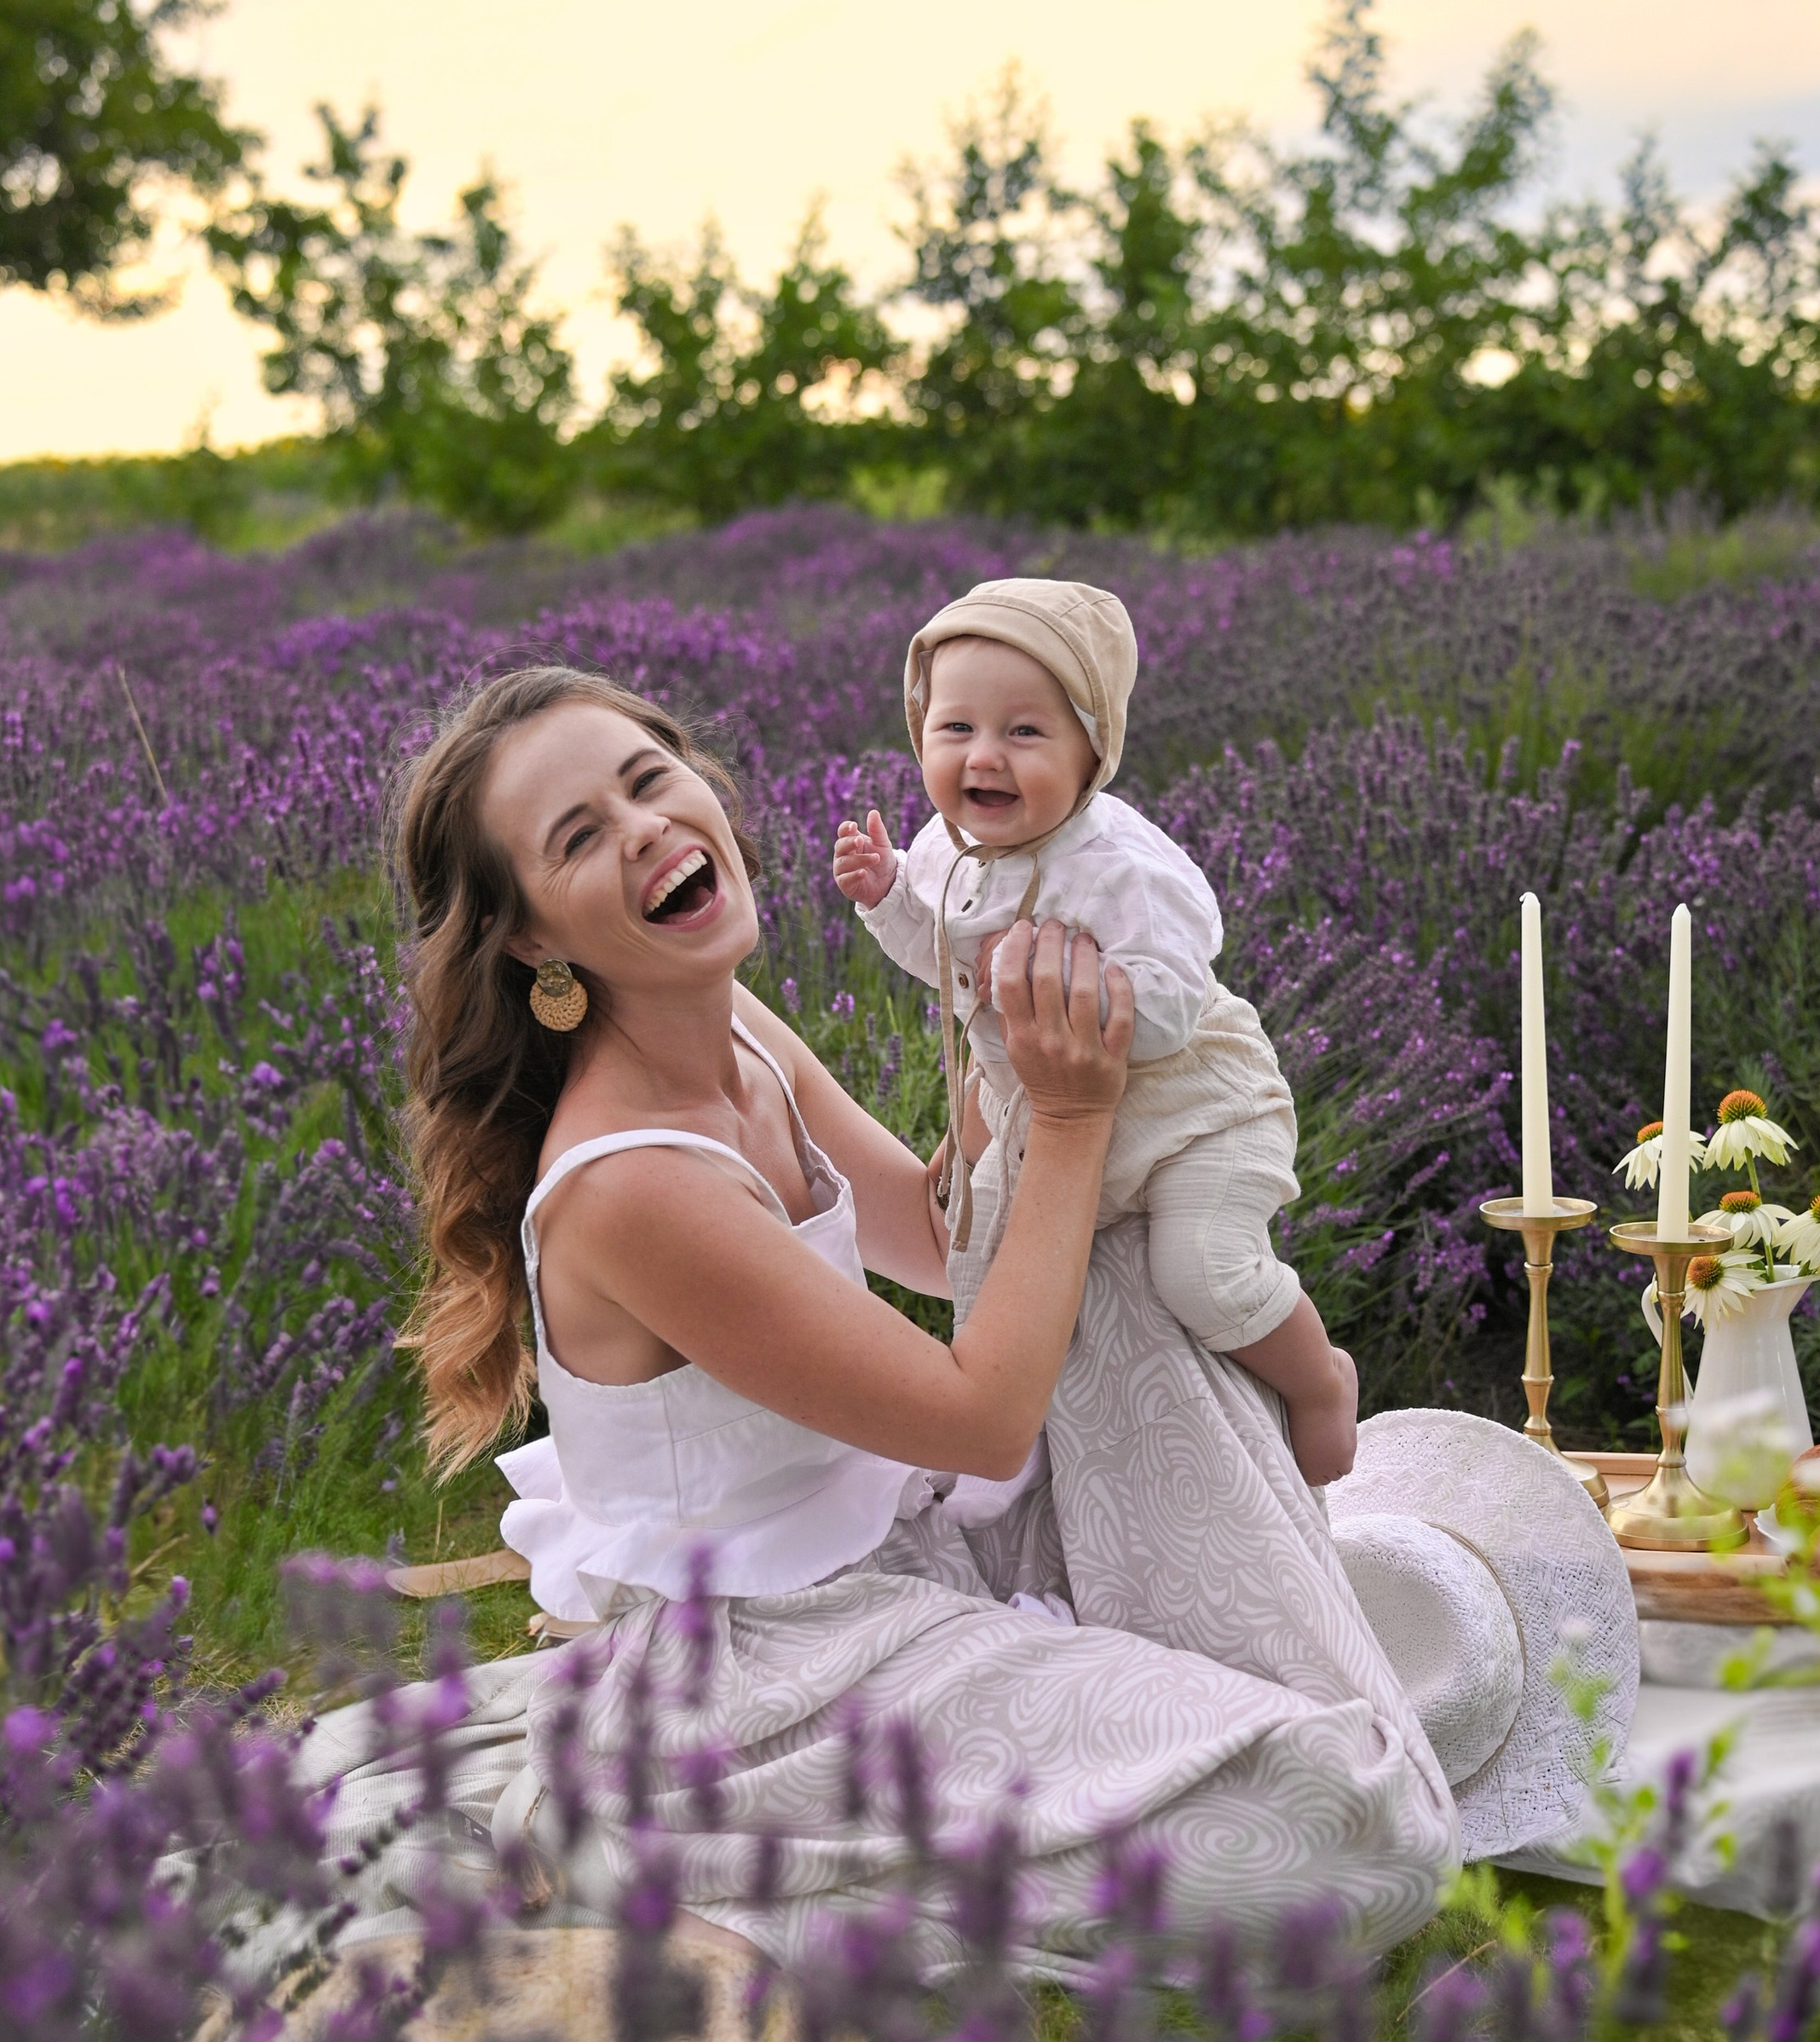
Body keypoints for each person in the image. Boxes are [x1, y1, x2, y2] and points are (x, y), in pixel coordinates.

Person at [324, 659, 1461, 1975]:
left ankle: (1174, 1692)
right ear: (532, 938)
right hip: (766, 1679)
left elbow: (932, 1239)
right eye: (580, 838)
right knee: (1356, 1832)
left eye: (650, 782)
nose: (645, 829)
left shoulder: (733, 1027)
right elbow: (983, 1416)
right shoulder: (633, 1185)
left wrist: (1003, 1057)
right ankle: (665, 1857)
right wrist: (1076, 1116)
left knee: (1140, 1306)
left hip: (903, 1556)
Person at [835, 577, 1357, 1485]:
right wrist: (887, 899)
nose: (983, 755)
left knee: (1201, 1271)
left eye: (1024, 731)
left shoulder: (1122, 869)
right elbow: (946, 959)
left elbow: (1169, 1010)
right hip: (1049, 1111)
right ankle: (1044, 1468)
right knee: (1003, 1284)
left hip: (1190, 1111)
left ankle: (1319, 1382)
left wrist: (1059, 985)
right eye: (955, 728)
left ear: (1092, 753)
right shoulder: (944, 850)